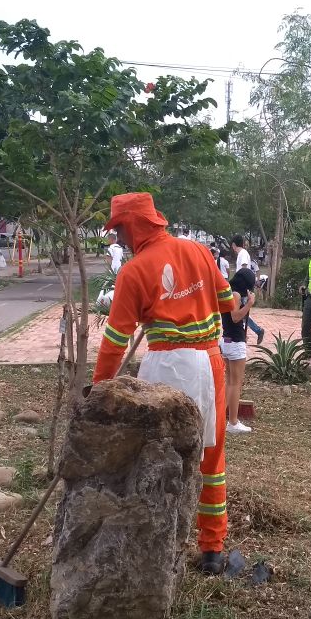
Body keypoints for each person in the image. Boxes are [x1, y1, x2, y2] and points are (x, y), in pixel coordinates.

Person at [93, 192, 235, 575]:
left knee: (156, 454)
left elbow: (115, 342)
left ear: (134, 224)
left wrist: (99, 388)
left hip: (164, 367)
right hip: (209, 361)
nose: (118, 238)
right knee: (211, 456)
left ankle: (158, 541)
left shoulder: (134, 271)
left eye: (119, 229)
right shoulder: (199, 251)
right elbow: (226, 302)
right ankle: (212, 550)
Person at [222, 268, 257, 434]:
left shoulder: (229, 292)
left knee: (229, 382)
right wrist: (249, 304)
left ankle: (222, 417)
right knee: (235, 383)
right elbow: (235, 317)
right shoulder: (236, 295)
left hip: (228, 340)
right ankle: (233, 422)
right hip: (234, 342)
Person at [232, 235, 265, 344]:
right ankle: (250, 333)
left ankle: (254, 332)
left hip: (242, 288)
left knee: (242, 312)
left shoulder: (243, 254)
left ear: (233, 245)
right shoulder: (242, 254)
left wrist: (245, 287)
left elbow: (245, 270)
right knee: (241, 313)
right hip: (240, 287)